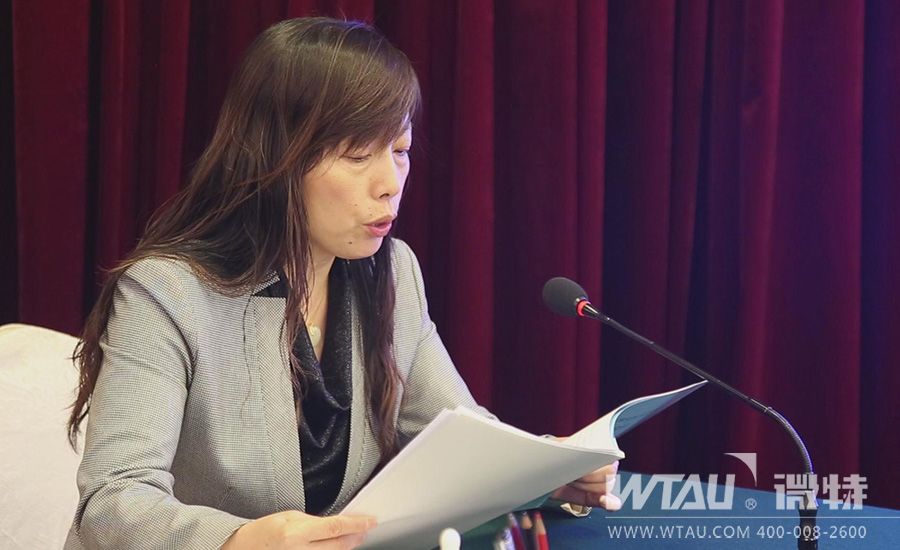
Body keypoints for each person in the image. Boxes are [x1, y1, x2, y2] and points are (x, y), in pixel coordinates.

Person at [64, 17, 619, 550]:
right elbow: (114, 501)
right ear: (278, 158)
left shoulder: (391, 272)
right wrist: (236, 540)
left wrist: (546, 471)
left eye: (399, 151)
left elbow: (463, 438)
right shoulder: (167, 292)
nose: (390, 184)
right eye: (357, 155)